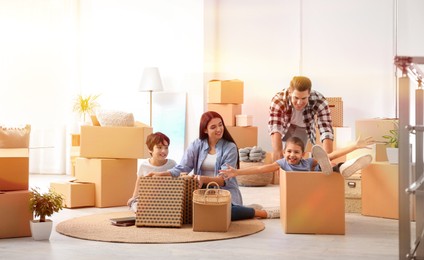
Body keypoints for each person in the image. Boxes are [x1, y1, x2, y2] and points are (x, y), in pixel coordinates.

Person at [147, 111, 280, 219]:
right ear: (205, 130)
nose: (219, 129)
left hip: (224, 192)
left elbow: (223, 179)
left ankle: (258, 212)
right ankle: (242, 210)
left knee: (224, 213)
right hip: (201, 192)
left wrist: (204, 179)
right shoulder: (196, 145)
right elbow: (182, 168)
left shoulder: (230, 147)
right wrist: (160, 173)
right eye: (213, 127)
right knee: (185, 212)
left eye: (220, 124)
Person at [219, 136, 374, 179]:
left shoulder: (307, 161)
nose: (292, 155)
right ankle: (336, 168)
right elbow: (260, 168)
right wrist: (237, 172)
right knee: (326, 163)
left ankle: (344, 167)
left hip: (318, 179)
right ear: (284, 152)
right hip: (304, 187)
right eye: (289, 152)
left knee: (331, 162)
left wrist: (354, 146)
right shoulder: (282, 164)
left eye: (296, 152)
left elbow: (332, 153)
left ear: (303, 154)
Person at [268, 76, 334, 165]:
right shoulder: (279, 99)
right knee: (280, 156)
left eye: (303, 98)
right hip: (284, 126)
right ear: (290, 92)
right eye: (296, 98)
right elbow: (275, 127)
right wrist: (277, 153)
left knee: (296, 158)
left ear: (309, 94)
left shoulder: (319, 100)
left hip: (302, 128)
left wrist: (327, 158)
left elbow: (326, 129)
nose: (299, 102)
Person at [127, 132, 177, 212]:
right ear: (150, 149)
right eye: (159, 147)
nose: (164, 151)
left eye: (166, 148)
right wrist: (134, 197)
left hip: (167, 200)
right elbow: (139, 182)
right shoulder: (144, 165)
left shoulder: (172, 164)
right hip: (149, 199)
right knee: (134, 204)